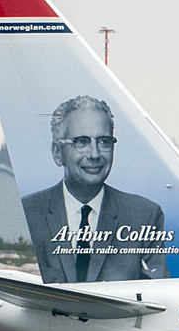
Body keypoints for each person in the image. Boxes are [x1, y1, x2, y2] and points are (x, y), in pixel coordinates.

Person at [21, 96, 170, 283]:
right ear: (57, 152)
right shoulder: (28, 213)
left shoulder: (144, 215)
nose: (95, 154)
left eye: (104, 142)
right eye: (81, 142)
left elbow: (157, 292)